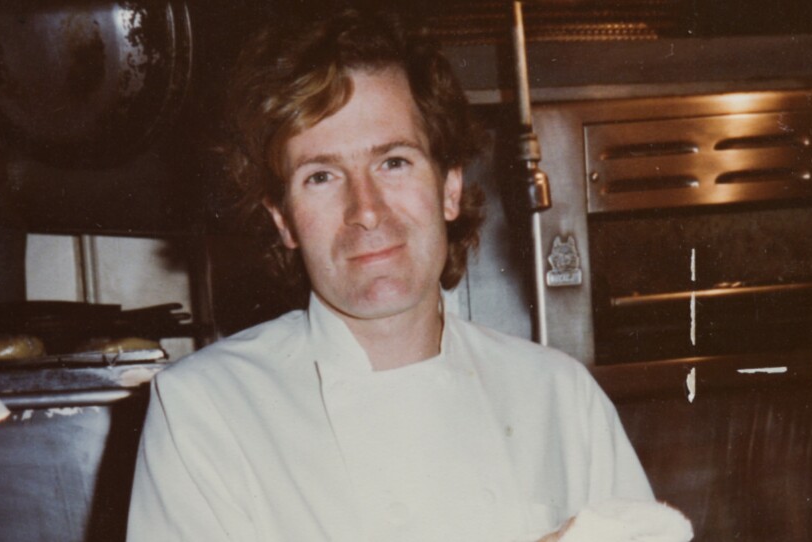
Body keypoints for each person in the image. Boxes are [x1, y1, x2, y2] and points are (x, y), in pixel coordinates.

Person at [127, 8, 673, 542]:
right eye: (321, 176)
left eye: (393, 162)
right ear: (283, 220)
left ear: (450, 188)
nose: (365, 209)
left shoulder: (559, 397)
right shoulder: (205, 413)